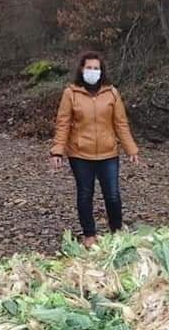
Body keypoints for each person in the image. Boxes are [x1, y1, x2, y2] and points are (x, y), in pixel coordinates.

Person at [49, 51, 139, 248]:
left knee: (113, 195)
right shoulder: (70, 93)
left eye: (96, 68)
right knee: (84, 194)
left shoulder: (112, 93)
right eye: (89, 68)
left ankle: (116, 230)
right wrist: (57, 150)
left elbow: (121, 124)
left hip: (108, 153)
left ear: (101, 70)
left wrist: (131, 149)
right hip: (80, 154)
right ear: (82, 69)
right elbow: (63, 124)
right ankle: (89, 234)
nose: (92, 71)